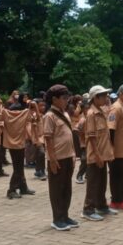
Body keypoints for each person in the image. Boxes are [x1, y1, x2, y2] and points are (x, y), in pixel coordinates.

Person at [43, 85, 78, 231]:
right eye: (64, 98)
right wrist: (52, 159)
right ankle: (57, 219)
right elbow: (48, 139)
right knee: (57, 189)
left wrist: (73, 154)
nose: (66, 101)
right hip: (57, 158)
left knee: (67, 188)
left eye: (67, 98)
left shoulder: (65, 114)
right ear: (54, 99)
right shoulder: (49, 116)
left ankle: (65, 215)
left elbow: (69, 136)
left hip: (68, 156)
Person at [81, 85, 116, 221]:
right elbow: (91, 137)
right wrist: (97, 155)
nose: (106, 98)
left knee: (102, 181)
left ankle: (101, 206)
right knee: (93, 183)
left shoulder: (101, 111)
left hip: (103, 154)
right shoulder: (91, 114)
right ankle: (88, 209)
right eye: (104, 96)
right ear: (96, 98)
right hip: (95, 155)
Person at [0, 99, 37, 199]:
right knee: (18, 169)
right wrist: (32, 106)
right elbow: (35, 118)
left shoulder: (6, 114)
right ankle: (11, 190)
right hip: (20, 145)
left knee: (19, 168)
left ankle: (23, 187)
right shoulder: (24, 114)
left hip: (11, 145)